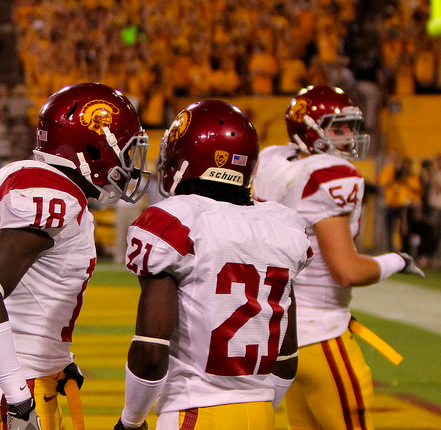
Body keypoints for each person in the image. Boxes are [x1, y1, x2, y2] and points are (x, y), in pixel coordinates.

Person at [0, 82, 151, 430]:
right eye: (123, 149)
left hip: (16, 373)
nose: (129, 163)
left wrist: (58, 357)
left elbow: (32, 291)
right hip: (14, 382)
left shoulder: (23, 174)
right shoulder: (55, 194)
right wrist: (17, 398)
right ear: (92, 149)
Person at [115, 100, 313, 430]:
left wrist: (131, 421)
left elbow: (151, 353)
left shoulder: (178, 220)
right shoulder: (283, 224)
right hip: (262, 414)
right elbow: (286, 358)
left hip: (195, 412)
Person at [251, 85, 424, 430]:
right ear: (309, 129)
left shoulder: (276, 163)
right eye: (337, 128)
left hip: (280, 336)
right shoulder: (328, 175)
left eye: (349, 127)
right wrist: (398, 261)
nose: (348, 136)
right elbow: (347, 271)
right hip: (322, 334)